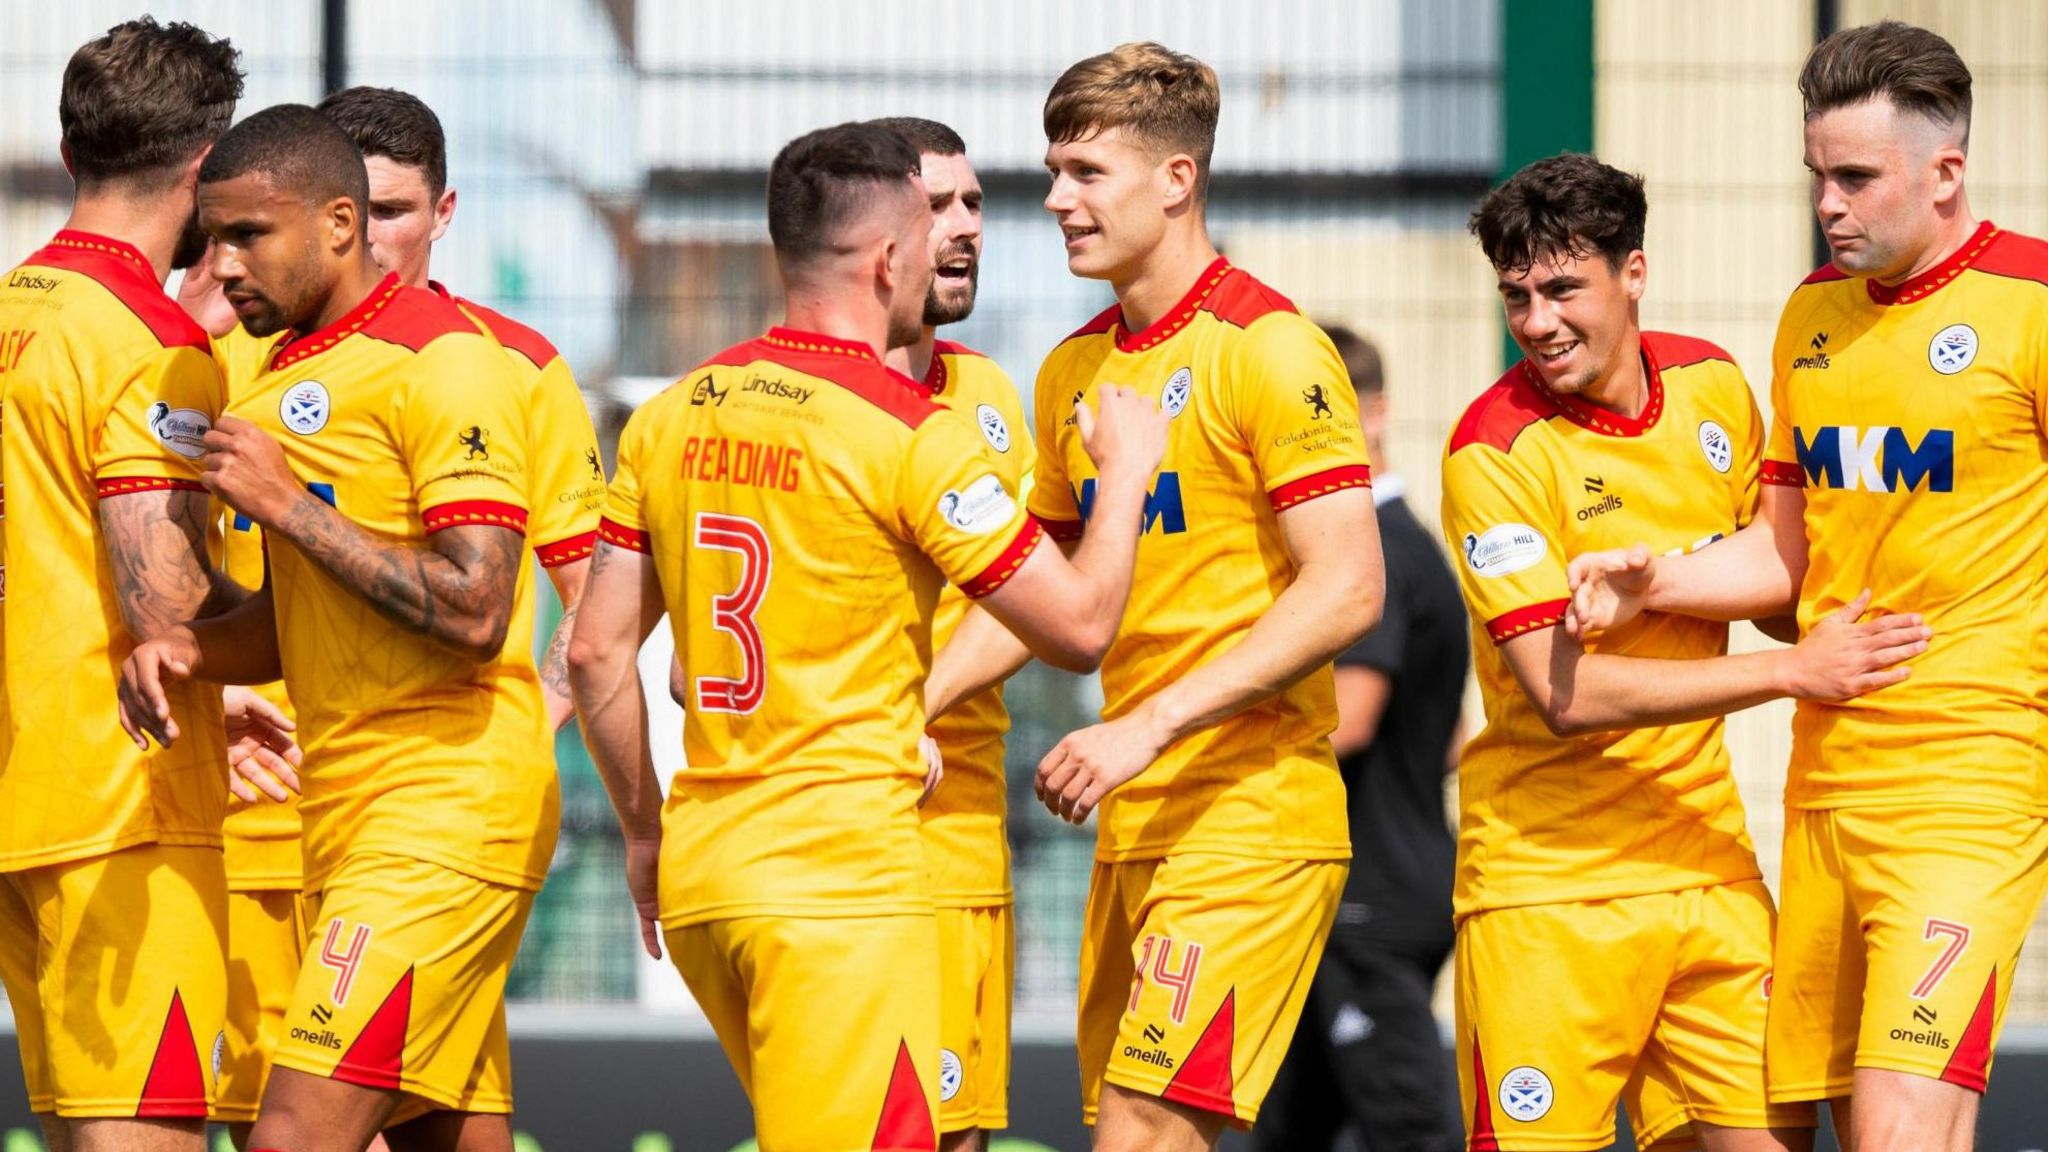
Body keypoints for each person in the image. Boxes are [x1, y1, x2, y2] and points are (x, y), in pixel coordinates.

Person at [566, 120, 1166, 1151]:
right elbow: (1075, 627)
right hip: (840, 884)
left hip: (707, 869)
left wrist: (643, 828)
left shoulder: (671, 415)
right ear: (891, 259)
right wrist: (1120, 484)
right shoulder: (906, 432)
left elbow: (592, 652)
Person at [1567, 21, 2048, 1152]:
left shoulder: (2031, 302)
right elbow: (1786, 558)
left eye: (1853, 177)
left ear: (1944, 173)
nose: (1826, 203)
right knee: (1816, 1127)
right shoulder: (1808, 319)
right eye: (1815, 176)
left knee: (1897, 1125)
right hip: (1823, 785)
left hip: (1968, 788)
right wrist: (1656, 583)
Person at [1446, 151, 1933, 1152]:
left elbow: (1774, 581)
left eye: (1561, 288)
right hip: (1544, 894)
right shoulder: (1489, 454)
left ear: (1632, 273)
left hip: (1704, 866)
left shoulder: (1711, 385)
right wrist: (1793, 671)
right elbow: (1560, 694)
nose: (1537, 321)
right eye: (1516, 296)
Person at [118, 103, 552, 1152]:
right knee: (442, 1138)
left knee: (292, 1138)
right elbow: (296, 620)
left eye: (248, 236)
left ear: (342, 224)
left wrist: (291, 506)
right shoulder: (282, 383)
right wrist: (190, 649)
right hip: (345, 817)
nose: (220, 265)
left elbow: (478, 609)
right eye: (210, 236)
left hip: (443, 816)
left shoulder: (448, 363)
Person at [1024, 41, 1384, 1152]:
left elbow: (1349, 585)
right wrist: (912, 706)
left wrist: (1150, 721)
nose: (1054, 200)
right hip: (1134, 821)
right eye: (1053, 170)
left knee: (1142, 1129)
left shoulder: (1272, 351)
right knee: (1118, 1131)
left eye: (1086, 172)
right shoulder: (1069, 373)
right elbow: (1045, 601)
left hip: (1250, 817)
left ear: (1175, 180)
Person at [0, 19, 244, 1152]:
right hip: (125, 803)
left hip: (22, 789)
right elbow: (167, 609)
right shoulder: (151, 342)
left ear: (69, 154)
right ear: (203, 168)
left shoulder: (11, 310)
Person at [1252, 327, 1465, 1152]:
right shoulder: (1402, 548)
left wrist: (1190, 730)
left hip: (1367, 898)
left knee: (1411, 1130)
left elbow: (1354, 714)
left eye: (1325, 416)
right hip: (1363, 884)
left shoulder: (1373, 553)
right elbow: (1449, 735)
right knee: (1286, 1129)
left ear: (1374, 416)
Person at [869, 114, 1030, 1152]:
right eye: (937, 207)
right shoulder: (790, 399)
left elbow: (1028, 608)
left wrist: (910, 710)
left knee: (954, 1137)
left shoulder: (987, 397)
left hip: (960, 838)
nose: (965, 226)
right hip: (834, 835)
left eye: (973, 202)